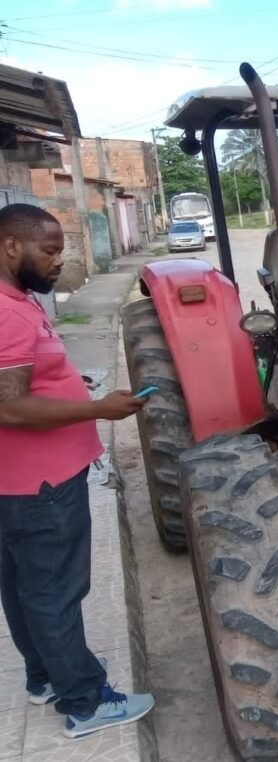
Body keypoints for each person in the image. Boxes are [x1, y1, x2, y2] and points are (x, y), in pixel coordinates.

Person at [0, 204, 156, 739]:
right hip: (41, 487)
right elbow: (9, 406)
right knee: (54, 593)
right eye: (48, 249)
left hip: (15, 482)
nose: (58, 261)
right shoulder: (9, 312)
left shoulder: (15, 301)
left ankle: (44, 677)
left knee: (23, 587)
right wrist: (97, 409)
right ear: (9, 246)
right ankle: (86, 703)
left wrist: (73, 391)